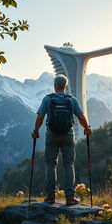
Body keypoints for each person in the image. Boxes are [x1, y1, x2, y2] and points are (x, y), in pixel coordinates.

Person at [31, 74, 92, 205]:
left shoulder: (47, 99)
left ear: (54, 85)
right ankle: (70, 197)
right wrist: (87, 128)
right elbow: (81, 117)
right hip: (68, 135)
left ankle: (50, 196)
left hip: (51, 135)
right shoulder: (72, 100)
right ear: (66, 86)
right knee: (69, 164)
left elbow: (40, 117)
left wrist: (35, 131)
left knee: (50, 165)